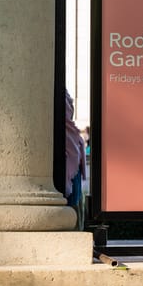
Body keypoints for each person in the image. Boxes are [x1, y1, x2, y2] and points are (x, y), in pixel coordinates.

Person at [63, 90, 87, 229]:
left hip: (72, 179)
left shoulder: (72, 133)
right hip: (69, 181)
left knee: (74, 207)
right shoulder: (71, 134)